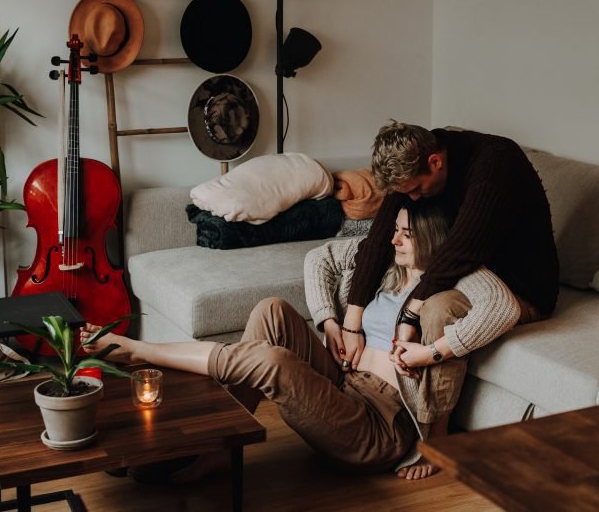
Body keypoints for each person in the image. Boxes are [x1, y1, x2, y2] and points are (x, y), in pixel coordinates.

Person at [82, 200, 519, 481]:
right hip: (344, 388)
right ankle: (221, 446)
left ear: (433, 239)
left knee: (272, 361)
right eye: (396, 229)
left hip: (378, 427)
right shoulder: (385, 265)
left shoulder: (458, 280)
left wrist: (431, 351)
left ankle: (138, 352)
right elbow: (321, 256)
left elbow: (504, 306)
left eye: (407, 232)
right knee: (271, 310)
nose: (394, 238)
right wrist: (331, 322)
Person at [339, 122, 560, 435]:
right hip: (469, 273)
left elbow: (461, 251)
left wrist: (409, 315)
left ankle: (435, 433)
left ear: (435, 162)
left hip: (518, 287)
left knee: (438, 309)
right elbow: (377, 240)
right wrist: (352, 323)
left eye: (416, 190)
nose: (413, 200)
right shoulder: (412, 164)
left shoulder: (495, 163)